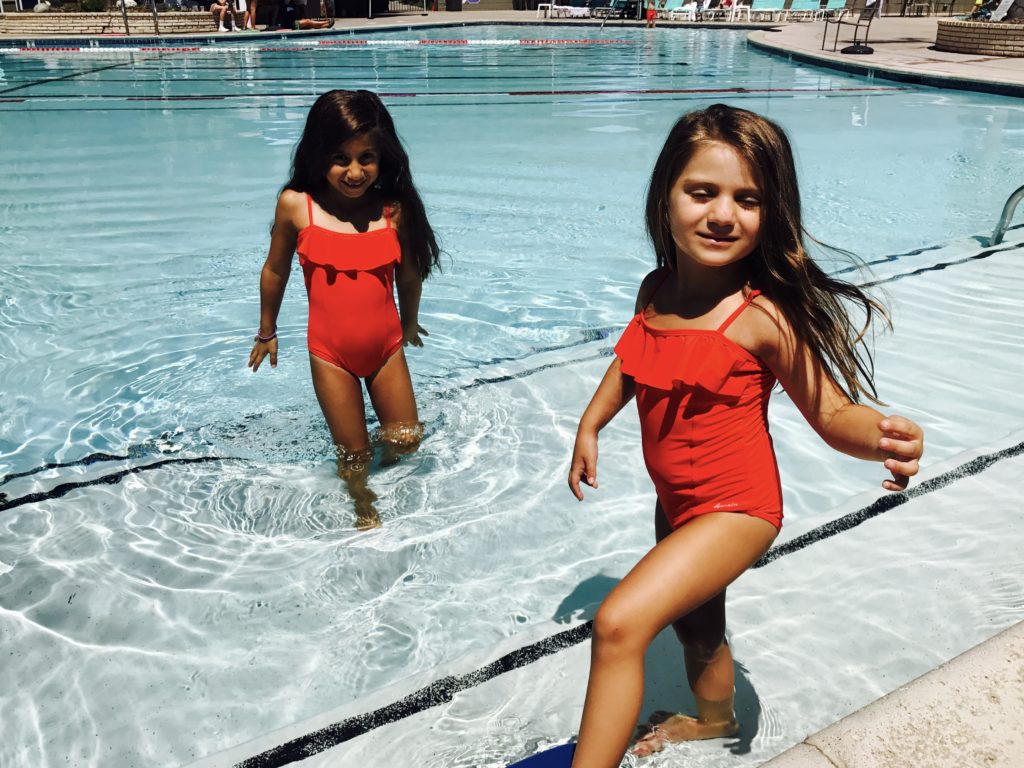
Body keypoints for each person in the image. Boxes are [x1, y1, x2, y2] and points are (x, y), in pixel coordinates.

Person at [566, 104, 924, 766]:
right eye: (702, 192)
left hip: (736, 509)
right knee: (697, 625)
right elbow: (634, 359)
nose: (722, 214)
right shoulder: (658, 289)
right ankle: (713, 721)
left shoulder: (761, 318)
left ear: (771, 213)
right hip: (676, 499)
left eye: (747, 199)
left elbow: (832, 413)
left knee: (618, 624)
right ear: (665, 195)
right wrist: (591, 423)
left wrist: (880, 435)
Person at [249, 90, 440, 530]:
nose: (355, 172)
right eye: (340, 158)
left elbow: (409, 277)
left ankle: (402, 497)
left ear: (383, 156)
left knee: (406, 442)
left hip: (387, 349)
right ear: (318, 154)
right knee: (353, 455)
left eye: (366, 158)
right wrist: (267, 330)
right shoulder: (298, 206)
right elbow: (275, 270)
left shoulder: (393, 210)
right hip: (330, 355)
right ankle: (362, 504)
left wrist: (409, 323)